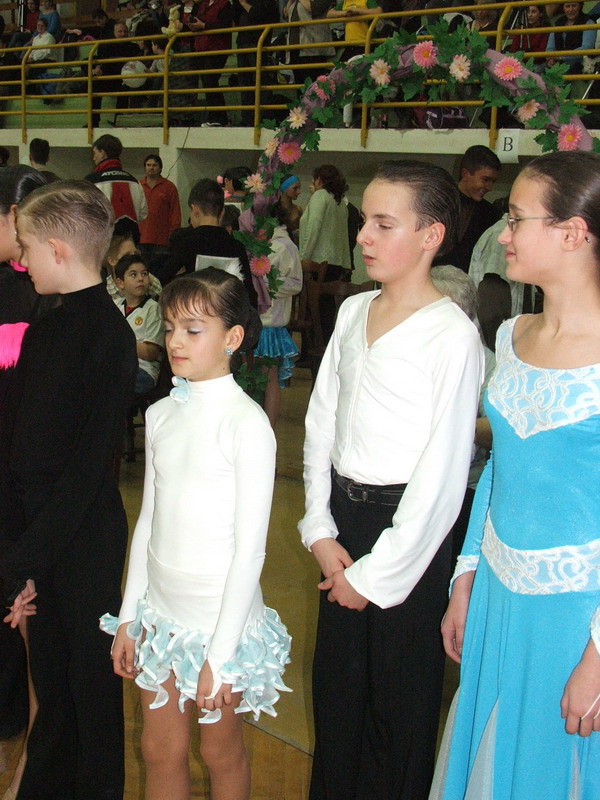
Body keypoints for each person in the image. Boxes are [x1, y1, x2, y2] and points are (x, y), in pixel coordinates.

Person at [300, 160, 483, 800]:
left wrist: (376, 576)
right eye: (365, 222)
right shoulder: (354, 311)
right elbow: (321, 423)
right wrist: (319, 527)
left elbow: (443, 475)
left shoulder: (451, 335)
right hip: (344, 525)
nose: (363, 237)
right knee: (338, 694)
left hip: (409, 536)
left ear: (431, 235)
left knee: (397, 705)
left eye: (384, 224)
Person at [430, 150, 600, 800]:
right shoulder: (512, 335)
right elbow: (502, 469)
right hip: (499, 597)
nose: (503, 235)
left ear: (572, 234)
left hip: (576, 617)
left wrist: (598, 656)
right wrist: (465, 577)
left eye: (517, 218)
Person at [102, 267, 291, 799]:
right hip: (161, 615)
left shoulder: (247, 424)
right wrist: (130, 615)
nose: (175, 342)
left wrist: (222, 654)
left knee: (219, 751)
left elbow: (250, 550)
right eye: (169, 328)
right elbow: (149, 521)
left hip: (218, 620)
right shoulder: (163, 414)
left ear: (233, 337)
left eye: (193, 329)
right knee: (158, 749)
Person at [0, 180, 137, 799]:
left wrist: (28, 555)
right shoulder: (45, 328)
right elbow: (16, 446)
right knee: (52, 687)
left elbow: (85, 470)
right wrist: (19, 550)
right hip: (39, 534)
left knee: (90, 690)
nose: (21, 259)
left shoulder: (109, 337)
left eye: (27, 246)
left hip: (81, 537)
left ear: (57, 250)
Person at [162, 178, 258, 307]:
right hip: (227, 313)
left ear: (195, 210)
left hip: (194, 311)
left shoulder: (187, 242)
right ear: (222, 212)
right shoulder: (236, 246)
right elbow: (249, 293)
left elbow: (164, 277)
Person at [254, 201, 302, 428]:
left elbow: (296, 284)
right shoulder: (260, 243)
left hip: (270, 324)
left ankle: (269, 428)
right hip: (255, 321)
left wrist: (265, 283)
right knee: (252, 376)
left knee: (269, 378)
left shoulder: (285, 246)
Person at [299, 164, 351, 343]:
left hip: (317, 261)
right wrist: (346, 262)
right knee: (327, 310)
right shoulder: (339, 202)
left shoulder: (320, 196)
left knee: (312, 310)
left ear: (319, 179)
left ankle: (312, 348)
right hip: (336, 262)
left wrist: (304, 257)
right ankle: (324, 346)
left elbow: (314, 226)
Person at [435, 145, 502, 272]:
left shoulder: (492, 214)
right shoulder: (436, 203)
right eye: (485, 179)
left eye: (493, 181)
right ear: (465, 174)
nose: (489, 187)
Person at [113, 252, 165, 395]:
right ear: (120, 283)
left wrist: (117, 341)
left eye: (144, 274)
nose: (140, 279)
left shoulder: (154, 309)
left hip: (142, 371)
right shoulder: (114, 305)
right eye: (133, 275)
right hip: (116, 364)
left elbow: (150, 353)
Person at [84, 134, 148, 239]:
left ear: (102, 153)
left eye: (95, 153)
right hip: (130, 241)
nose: (93, 158)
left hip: (102, 241)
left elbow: (84, 214)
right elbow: (143, 214)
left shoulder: (91, 182)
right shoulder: (135, 182)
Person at [189, 0, 233, 127]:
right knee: (207, 82)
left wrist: (203, 25)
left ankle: (219, 117)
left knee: (210, 80)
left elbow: (223, 26)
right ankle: (216, 117)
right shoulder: (203, 4)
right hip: (202, 47)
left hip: (217, 47)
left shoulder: (225, 4)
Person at [91, 20, 140, 127]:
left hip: (125, 79)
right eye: (120, 31)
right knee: (94, 86)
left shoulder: (134, 47)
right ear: (114, 33)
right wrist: (98, 68)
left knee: (125, 88)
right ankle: (94, 122)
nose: (123, 34)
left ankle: (119, 121)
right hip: (109, 78)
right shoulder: (106, 46)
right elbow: (100, 62)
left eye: (125, 31)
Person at [138, 154, 181, 266]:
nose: (151, 168)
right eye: (148, 165)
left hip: (162, 241)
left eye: (154, 165)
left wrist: (172, 237)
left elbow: (175, 213)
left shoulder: (169, 187)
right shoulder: (138, 186)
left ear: (160, 168)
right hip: (141, 239)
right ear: (144, 167)